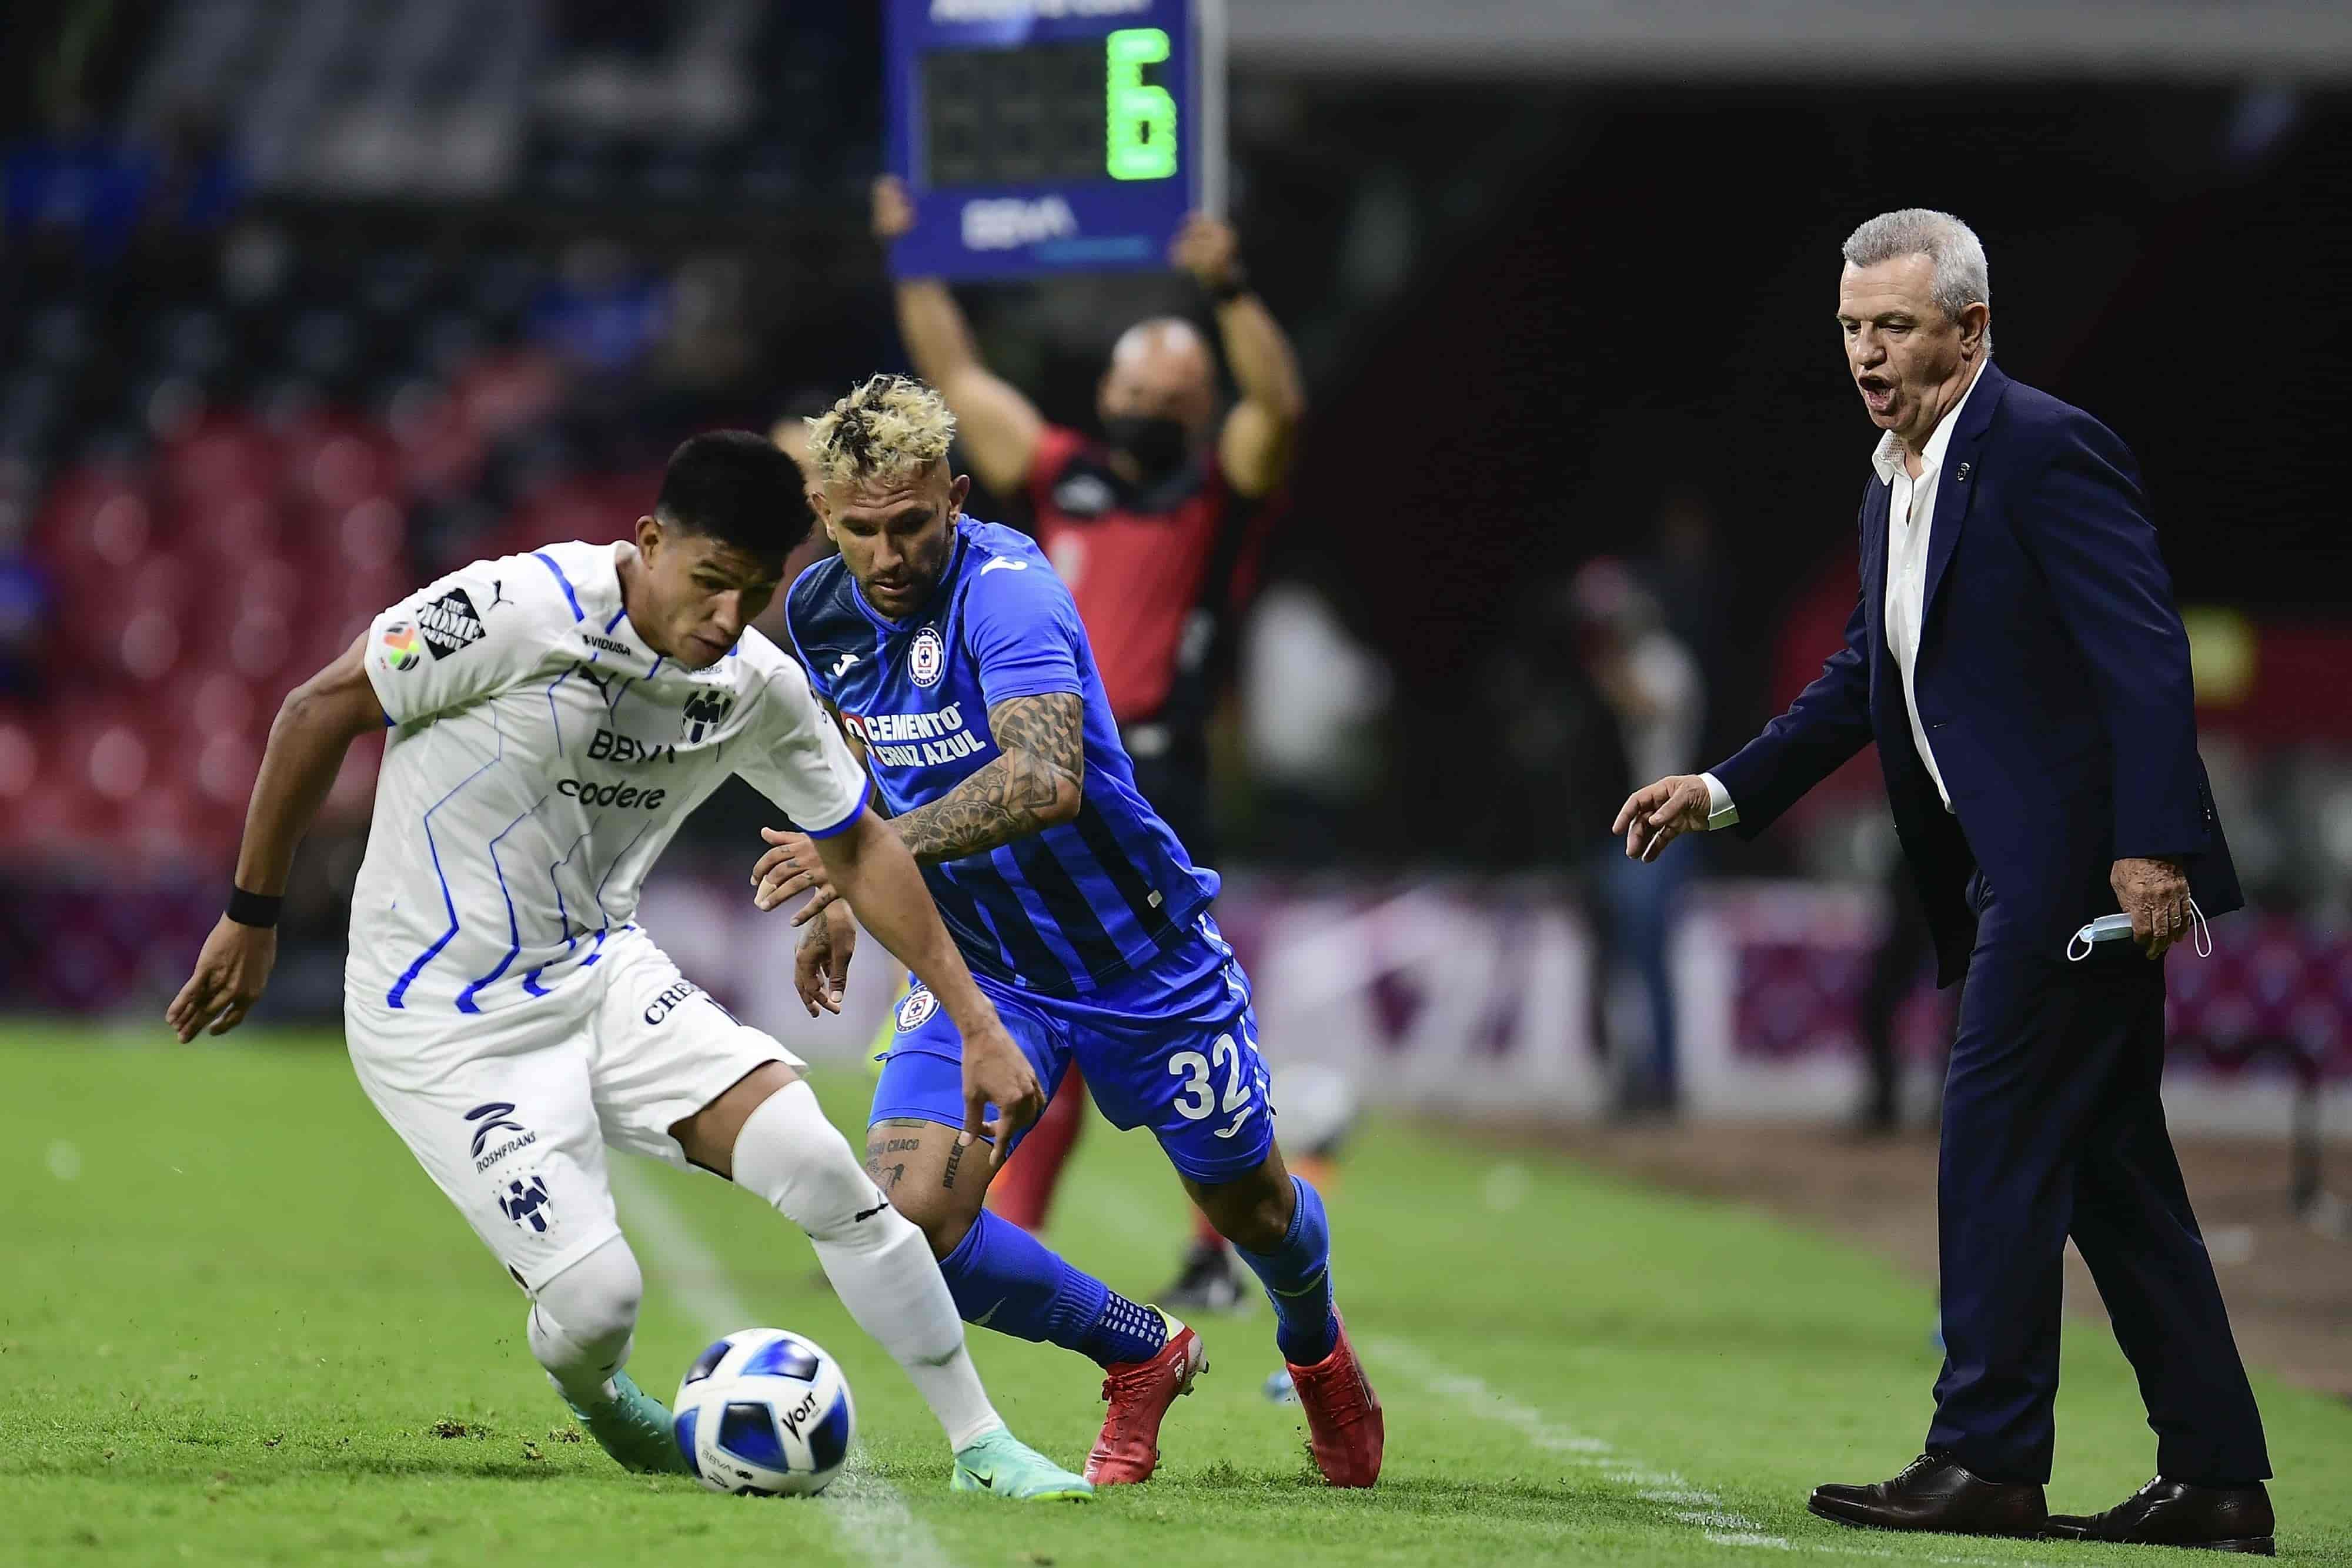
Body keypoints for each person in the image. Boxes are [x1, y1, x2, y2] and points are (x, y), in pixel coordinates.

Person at [165, 432, 1091, 1501]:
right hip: (438, 1011)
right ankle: (599, 1396)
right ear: (649, 543)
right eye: (708, 582)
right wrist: (252, 915)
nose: (726, 618)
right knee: (598, 1302)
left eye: (754, 594)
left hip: (598, 970)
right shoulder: (514, 610)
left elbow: (862, 847)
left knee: (823, 1166)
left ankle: (983, 1446)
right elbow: (317, 710)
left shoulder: (754, 684)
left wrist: (976, 1022)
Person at [1616, 209, 2273, 1552]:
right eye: (1852, 328)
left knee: (1990, 1147)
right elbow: (1864, 675)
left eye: (1894, 327)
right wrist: (1723, 788)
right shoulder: (1892, 483)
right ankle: (2215, 1478)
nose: (1866, 353)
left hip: (2074, 877)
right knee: (2114, 1182)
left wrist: (2153, 843)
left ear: (1970, 330)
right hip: (2008, 877)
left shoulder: (2041, 447)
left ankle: (1986, 1456)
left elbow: (2145, 651)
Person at [753, 375, 1381, 1489]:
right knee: (908, 1218)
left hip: (1141, 959)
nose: (889, 555)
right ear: (823, 516)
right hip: (987, 965)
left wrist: (864, 855)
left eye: (913, 524)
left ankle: (1315, 1345)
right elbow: (861, 758)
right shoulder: (818, 611)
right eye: (860, 530)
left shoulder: (1010, 591)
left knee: (1251, 1207)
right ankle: (1140, 1354)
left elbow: (1046, 778)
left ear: (954, 499)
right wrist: (848, 890)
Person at [873, 176, 1306, 1309]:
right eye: (1133, 390)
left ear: (1202, 407)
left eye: (1172, 396)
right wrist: (915, 256)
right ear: (1105, 391)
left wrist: (1230, 290)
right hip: (1028, 766)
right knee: (1033, 990)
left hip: (1154, 777)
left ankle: (1216, 1244)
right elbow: (958, 379)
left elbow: (1280, 407)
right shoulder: (1061, 472)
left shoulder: (1222, 489)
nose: (1146, 408)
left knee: (1178, 1013)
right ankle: (1011, 1228)